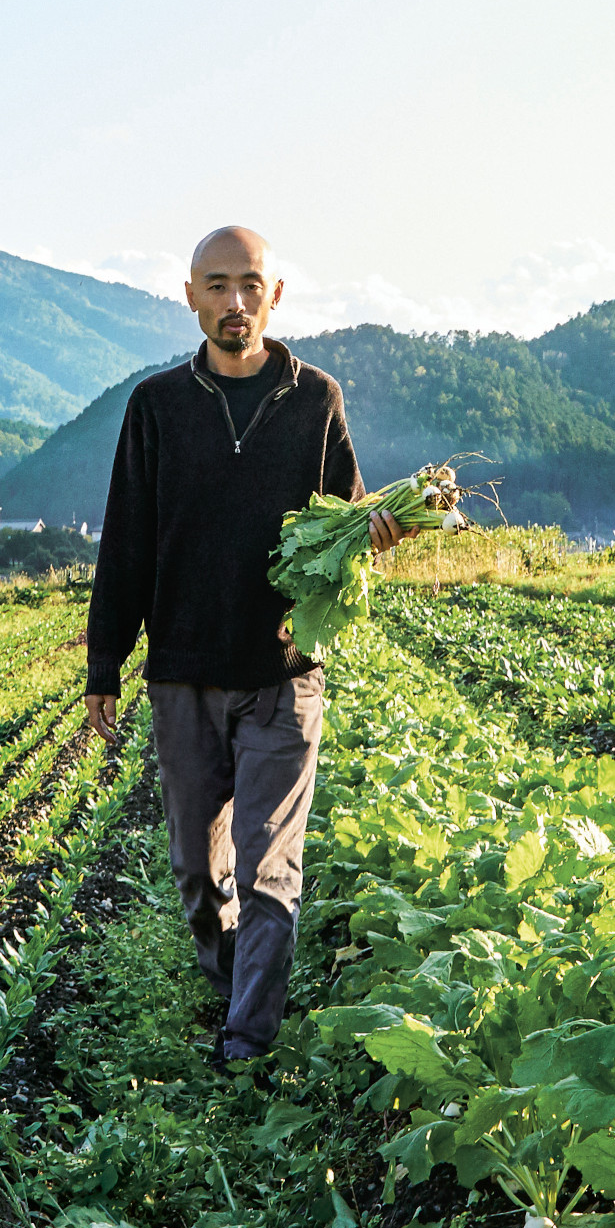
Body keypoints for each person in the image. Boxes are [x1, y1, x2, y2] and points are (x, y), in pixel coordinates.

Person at [82, 225, 403, 1065]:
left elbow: (347, 518)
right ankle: (229, 980)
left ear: (276, 294)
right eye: (216, 285)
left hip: (283, 675)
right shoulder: (155, 407)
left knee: (268, 870)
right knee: (199, 870)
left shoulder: (315, 398)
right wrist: (103, 665)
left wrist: (381, 529)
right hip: (184, 674)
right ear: (190, 297)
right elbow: (126, 539)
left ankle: (247, 1042)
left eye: (250, 284)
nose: (235, 302)